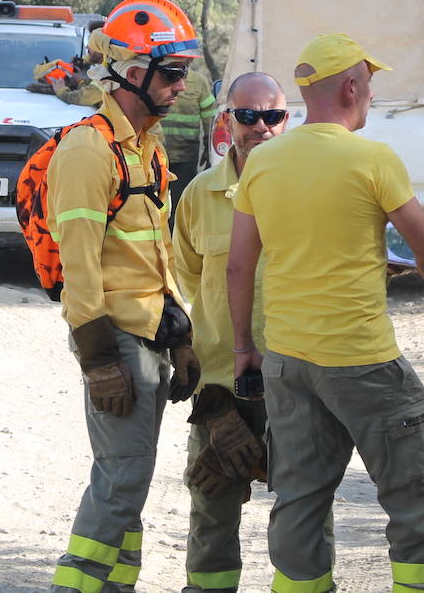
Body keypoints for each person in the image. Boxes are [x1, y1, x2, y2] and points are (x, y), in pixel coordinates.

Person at [227, 33, 424, 593]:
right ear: (351, 87)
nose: (372, 96)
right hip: (362, 359)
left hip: (287, 358)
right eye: (371, 84)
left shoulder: (262, 162)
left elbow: (238, 267)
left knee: (300, 497)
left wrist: (245, 349)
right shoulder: (373, 158)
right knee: (416, 490)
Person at [48, 0, 203, 593]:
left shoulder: (147, 145)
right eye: (171, 72)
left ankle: (116, 584)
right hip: (114, 337)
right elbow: (79, 265)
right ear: (130, 73)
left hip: (148, 333)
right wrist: (97, 360)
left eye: (184, 71)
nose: (181, 84)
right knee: (120, 480)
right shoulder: (89, 149)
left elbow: (154, 254)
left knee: (128, 478)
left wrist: (180, 334)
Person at [173, 72, 286, 593]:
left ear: (288, 121)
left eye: (273, 116)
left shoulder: (306, 192)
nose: (261, 127)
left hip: (297, 383)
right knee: (212, 509)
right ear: (226, 121)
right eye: (247, 116)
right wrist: (212, 404)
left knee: (304, 510)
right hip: (223, 387)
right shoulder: (198, 195)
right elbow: (186, 283)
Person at [160, 66, 217, 213]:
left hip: (186, 156)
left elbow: (209, 116)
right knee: (155, 205)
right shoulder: (157, 77)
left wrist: (208, 146)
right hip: (157, 155)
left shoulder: (199, 82)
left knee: (182, 206)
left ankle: (177, 234)